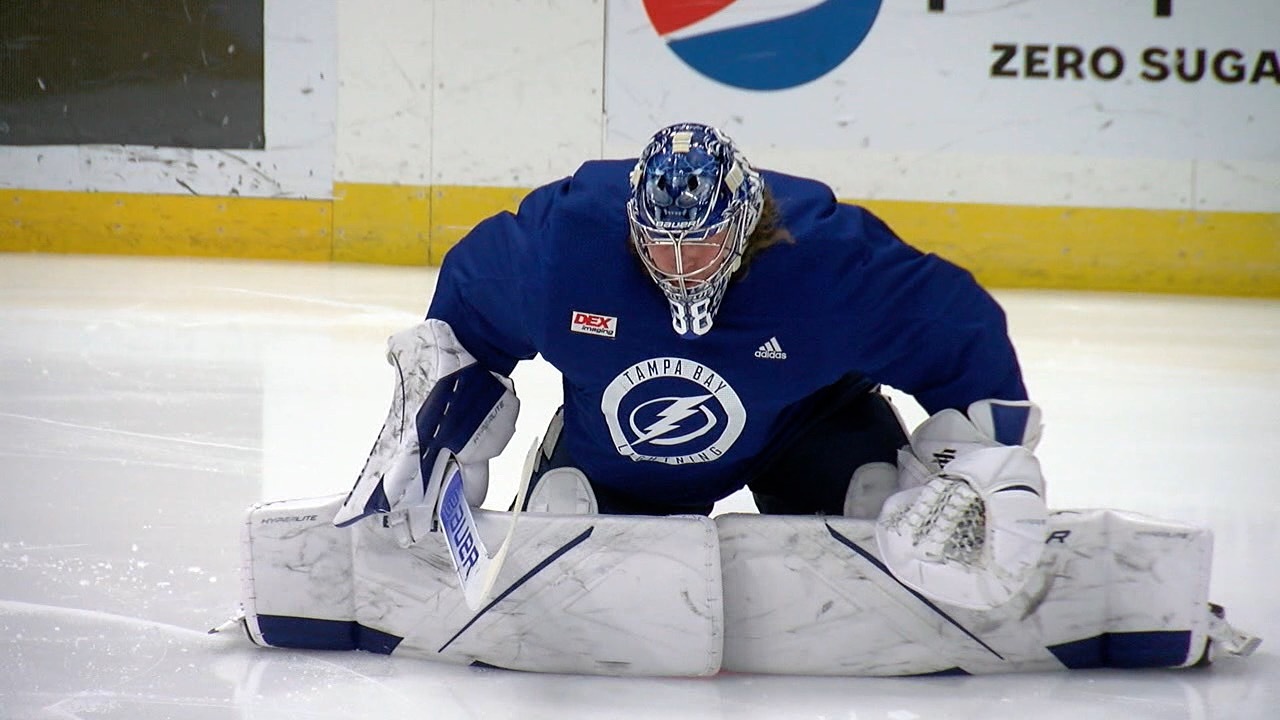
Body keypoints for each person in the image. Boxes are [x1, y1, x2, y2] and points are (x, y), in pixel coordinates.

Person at [333, 122, 1048, 608]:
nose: (678, 266)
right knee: (565, 521)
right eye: (660, 244)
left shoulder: (827, 262)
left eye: (699, 246)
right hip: (622, 452)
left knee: (872, 500)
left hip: (808, 426)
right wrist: (432, 439)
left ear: (742, 223)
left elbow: (961, 333)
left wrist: (982, 468)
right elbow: (462, 331)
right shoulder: (565, 249)